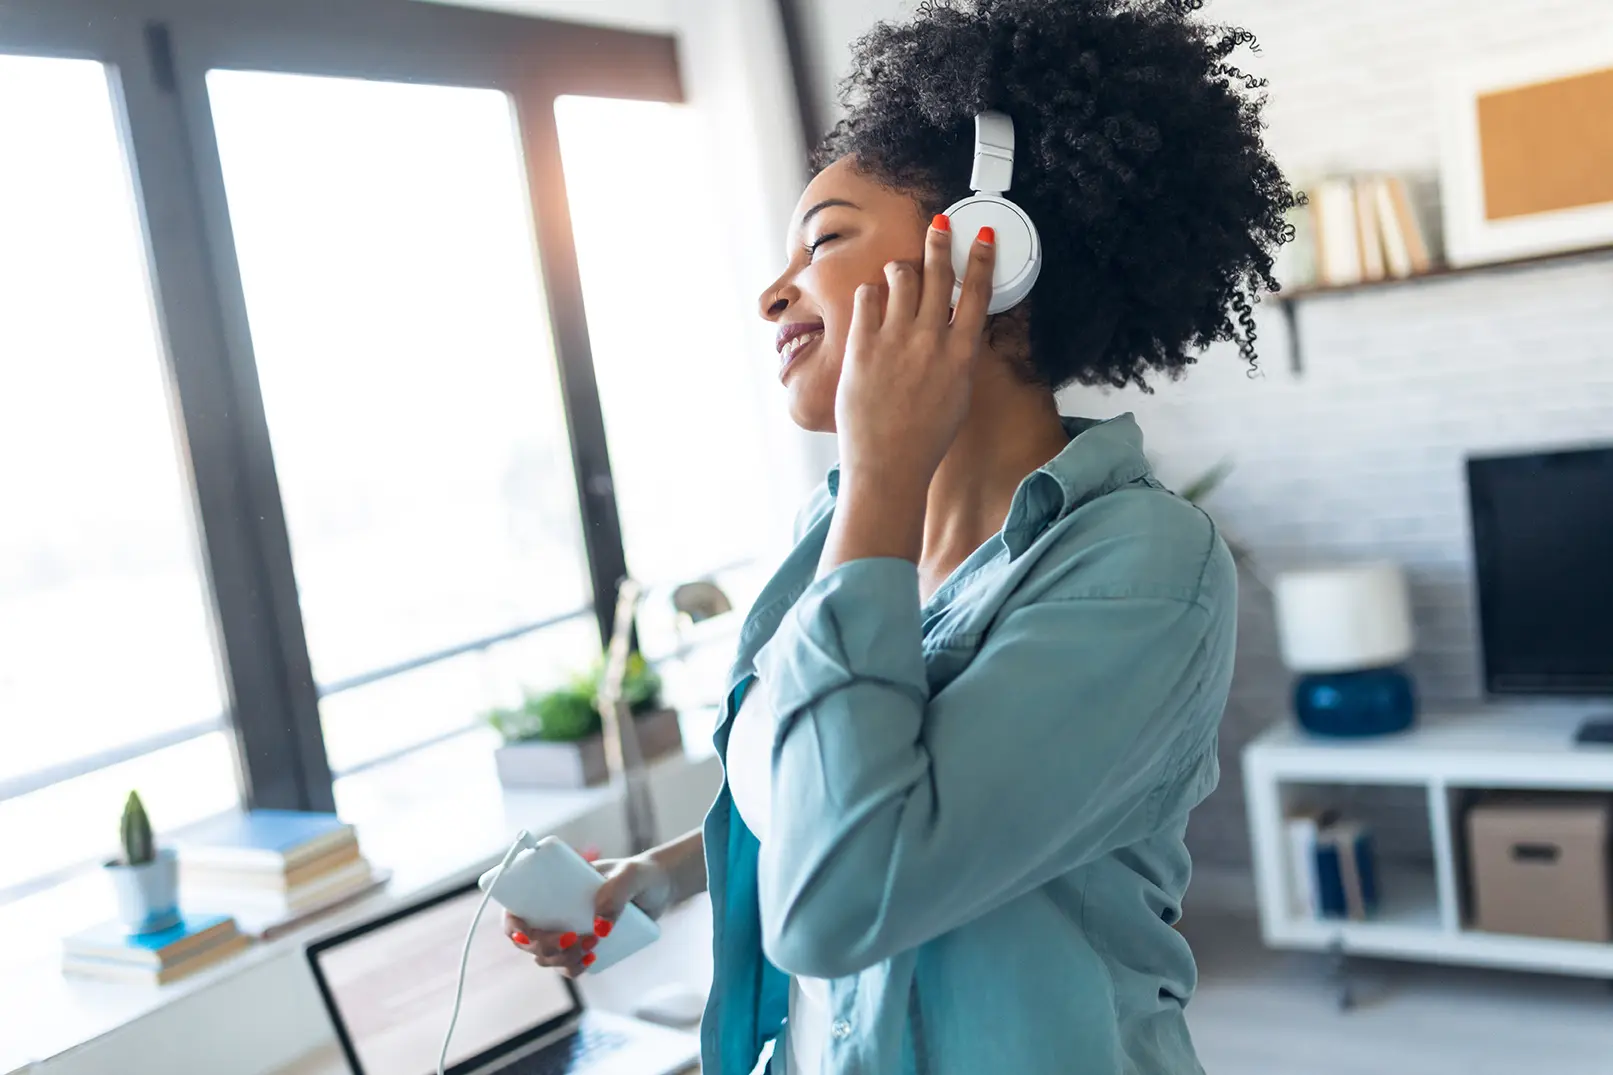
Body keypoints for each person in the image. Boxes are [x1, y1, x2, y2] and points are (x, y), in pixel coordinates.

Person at [506, 0, 1296, 1071]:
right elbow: (830, 782)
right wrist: (658, 872)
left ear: (987, 256)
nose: (771, 291)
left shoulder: (1145, 568)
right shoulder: (829, 533)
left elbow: (840, 894)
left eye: (824, 236)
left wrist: (880, 475)